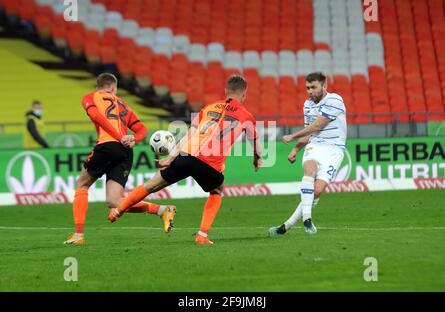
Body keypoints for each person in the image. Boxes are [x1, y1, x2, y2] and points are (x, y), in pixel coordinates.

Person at [108, 75, 263, 245]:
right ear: (244, 94)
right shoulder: (246, 116)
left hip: (186, 155)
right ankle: (202, 235)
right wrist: (256, 158)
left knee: (151, 184)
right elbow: (254, 142)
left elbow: (190, 134)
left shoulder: (209, 107)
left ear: (226, 91)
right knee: (216, 191)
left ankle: (118, 210)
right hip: (209, 163)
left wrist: (171, 156)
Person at [64, 73, 176, 245]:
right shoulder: (123, 104)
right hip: (125, 151)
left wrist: (118, 136)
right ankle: (163, 210)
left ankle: (79, 235)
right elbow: (142, 129)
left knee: (82, 185)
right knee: (114, 201)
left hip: (107, 146)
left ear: (99, 86)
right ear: (113, 88)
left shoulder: (90, 97)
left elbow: (96, 117)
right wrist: (133, 139)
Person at [269, 72, 347, 235]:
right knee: (309, 171)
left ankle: (287, 226)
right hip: (315, 146)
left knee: (316, 191)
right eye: (307, 88)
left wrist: (292, 136)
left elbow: (317, 126)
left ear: (324, 86)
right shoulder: (308, 104)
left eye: (313, 87)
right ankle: (307, 219)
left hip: (334, 150)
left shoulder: (335, 100)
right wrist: (296, 148)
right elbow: (309, 134)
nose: (310, 91)